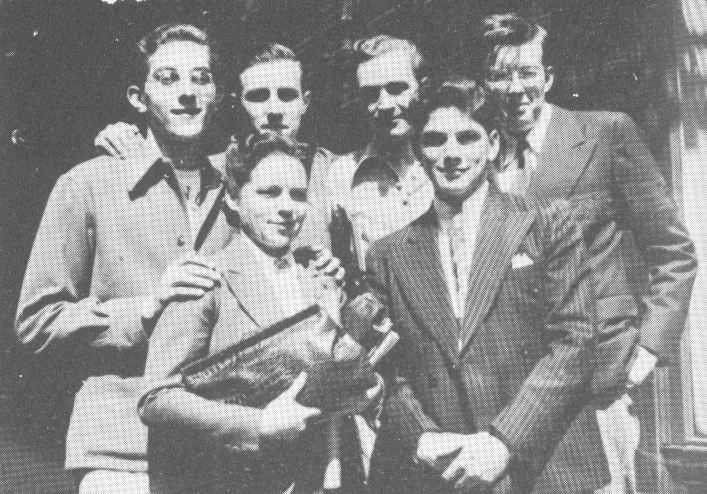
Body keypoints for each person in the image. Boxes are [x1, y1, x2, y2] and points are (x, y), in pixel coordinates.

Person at [478, 13, 697, 493]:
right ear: (484, 84)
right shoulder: (476, 156)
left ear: (548, 77)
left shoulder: (605, 133)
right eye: (499, 75)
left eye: (526, 73)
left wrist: (647, 348)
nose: (514, 89)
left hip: (598, 385)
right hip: (513, 399)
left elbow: (673, 251)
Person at [15, 23, 230, 493]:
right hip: (121, 451)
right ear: (138, 97)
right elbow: (36, 321)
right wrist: (144, 310)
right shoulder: (87, 185)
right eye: (168, 78)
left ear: (216, 94)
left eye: (201, 78)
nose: (188, 92)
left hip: (220, 454)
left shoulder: (237, 190)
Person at [365, 80, 604, 494]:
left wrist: (504, 441)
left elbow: (576, 341)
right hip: (442, 473)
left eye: (467, 137)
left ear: (492, 144)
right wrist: (422, 437)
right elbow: (388, 367)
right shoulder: (388, 255)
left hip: (542, 471)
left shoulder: (546, 223)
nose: (451, 154)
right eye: (435, 140)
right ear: (418, 151)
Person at [138, 133, 381, 494]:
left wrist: (368, 390)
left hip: (329, 478)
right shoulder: (207, 281)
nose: (287, 207)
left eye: (298, 195)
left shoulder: (321, 276)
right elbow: (156, 398)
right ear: (233, 199)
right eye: (269, 193)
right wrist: (259, 424)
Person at [95, 42, 337, 250]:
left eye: (286, 95)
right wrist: (121, 136)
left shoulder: (334, 171)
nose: (274, 109)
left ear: (305, 102)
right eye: (258, 96)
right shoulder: (209, 174)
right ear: (238, 103)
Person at [326, 35, 434, 284]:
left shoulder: (449, 163)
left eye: (396, 89)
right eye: (371, 94)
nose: (384, 105)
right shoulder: (342, 175)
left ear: (422, 89)